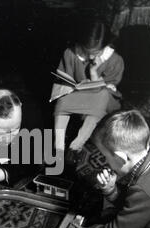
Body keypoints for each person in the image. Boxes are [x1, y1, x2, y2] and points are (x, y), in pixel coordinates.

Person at [53, 20, 124, 152]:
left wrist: (93, 73)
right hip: (79, 97)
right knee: (62, 96)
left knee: (102, 95)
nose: (91, 56)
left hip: (105, 101)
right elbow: (63, 81)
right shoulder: (70, 54)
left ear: (106, 45)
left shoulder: (115, 60)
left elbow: (105, 90)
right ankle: (58, 147)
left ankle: (75, 147)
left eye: (96, 52)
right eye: (87, 51)